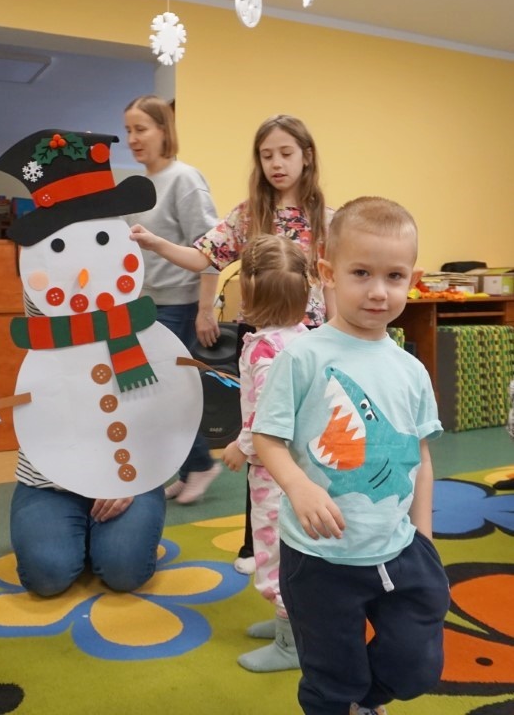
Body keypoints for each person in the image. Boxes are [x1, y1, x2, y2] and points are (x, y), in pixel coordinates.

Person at [251, 197, 450, 715]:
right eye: (361, 273)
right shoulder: (302, 356)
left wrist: (424, 537)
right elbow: (267, 438)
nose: (378, 291)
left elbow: (420, 456)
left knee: (416, 666)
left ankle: (367, 700)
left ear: (413, 280)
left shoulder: (411, 369)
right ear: (328, 274)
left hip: (399, 547)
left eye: (394, 276)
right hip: (319, 558)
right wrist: (299, 485)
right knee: (332, 679)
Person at [130, 113, 334, 569]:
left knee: (306, 442)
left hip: (310, 337)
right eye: (266, 156)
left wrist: (338, 338)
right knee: (261, 441)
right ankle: (255, 545)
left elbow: (332, 283)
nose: (276, 164)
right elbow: (202, 256)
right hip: (259, 337)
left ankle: (308, 539)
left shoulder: (325, 219)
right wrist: (156, 243)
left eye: (285, 153)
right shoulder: (249, 214)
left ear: (307, 156)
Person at [10, 295, 167, 597]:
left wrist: (129, 480)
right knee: (46, 576)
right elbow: (41, 288)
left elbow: (157, 417)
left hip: (127, 474)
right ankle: (77, 535)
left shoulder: (131, 326)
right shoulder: (48, 328)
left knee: (124, 571)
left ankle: (97, 537)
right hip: (50, 482)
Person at [123, 94, 222, 504]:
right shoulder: (136, 187)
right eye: (128, 130)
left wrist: (205, 309)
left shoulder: (185, 180)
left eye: (141, 129)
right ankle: (189, 467)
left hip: (179, 305)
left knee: (164, 392)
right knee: (142, 388)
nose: (132, 139)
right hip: (143, 305)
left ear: (164, 131)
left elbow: (213, 249)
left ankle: (200, 464)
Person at [221, 234, 310, 672]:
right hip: (302, 466)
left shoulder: (263, 350)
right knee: (291, 544)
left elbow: (267, 412)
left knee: (274, 548)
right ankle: (287, 624)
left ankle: (290, 643)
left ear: (250, 293)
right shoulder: (305, 338)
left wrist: (240, 447)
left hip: (272, 471)